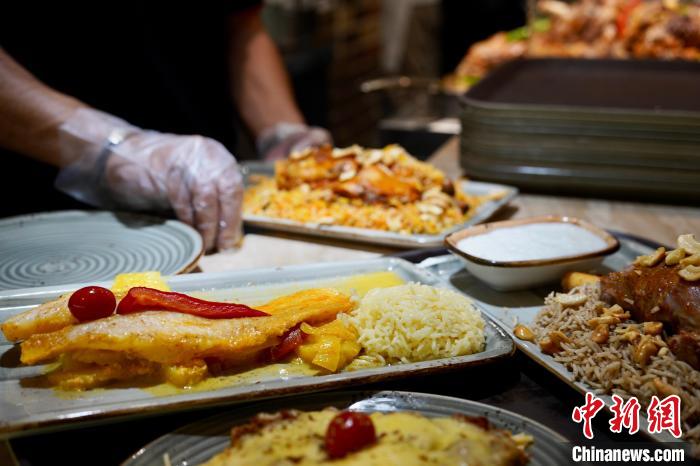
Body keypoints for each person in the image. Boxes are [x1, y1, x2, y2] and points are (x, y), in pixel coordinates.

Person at [0, 2, 331, 251]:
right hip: (42, 213)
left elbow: (243, 25)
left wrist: (282, 133)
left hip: (210, 200)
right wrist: (113, 150)